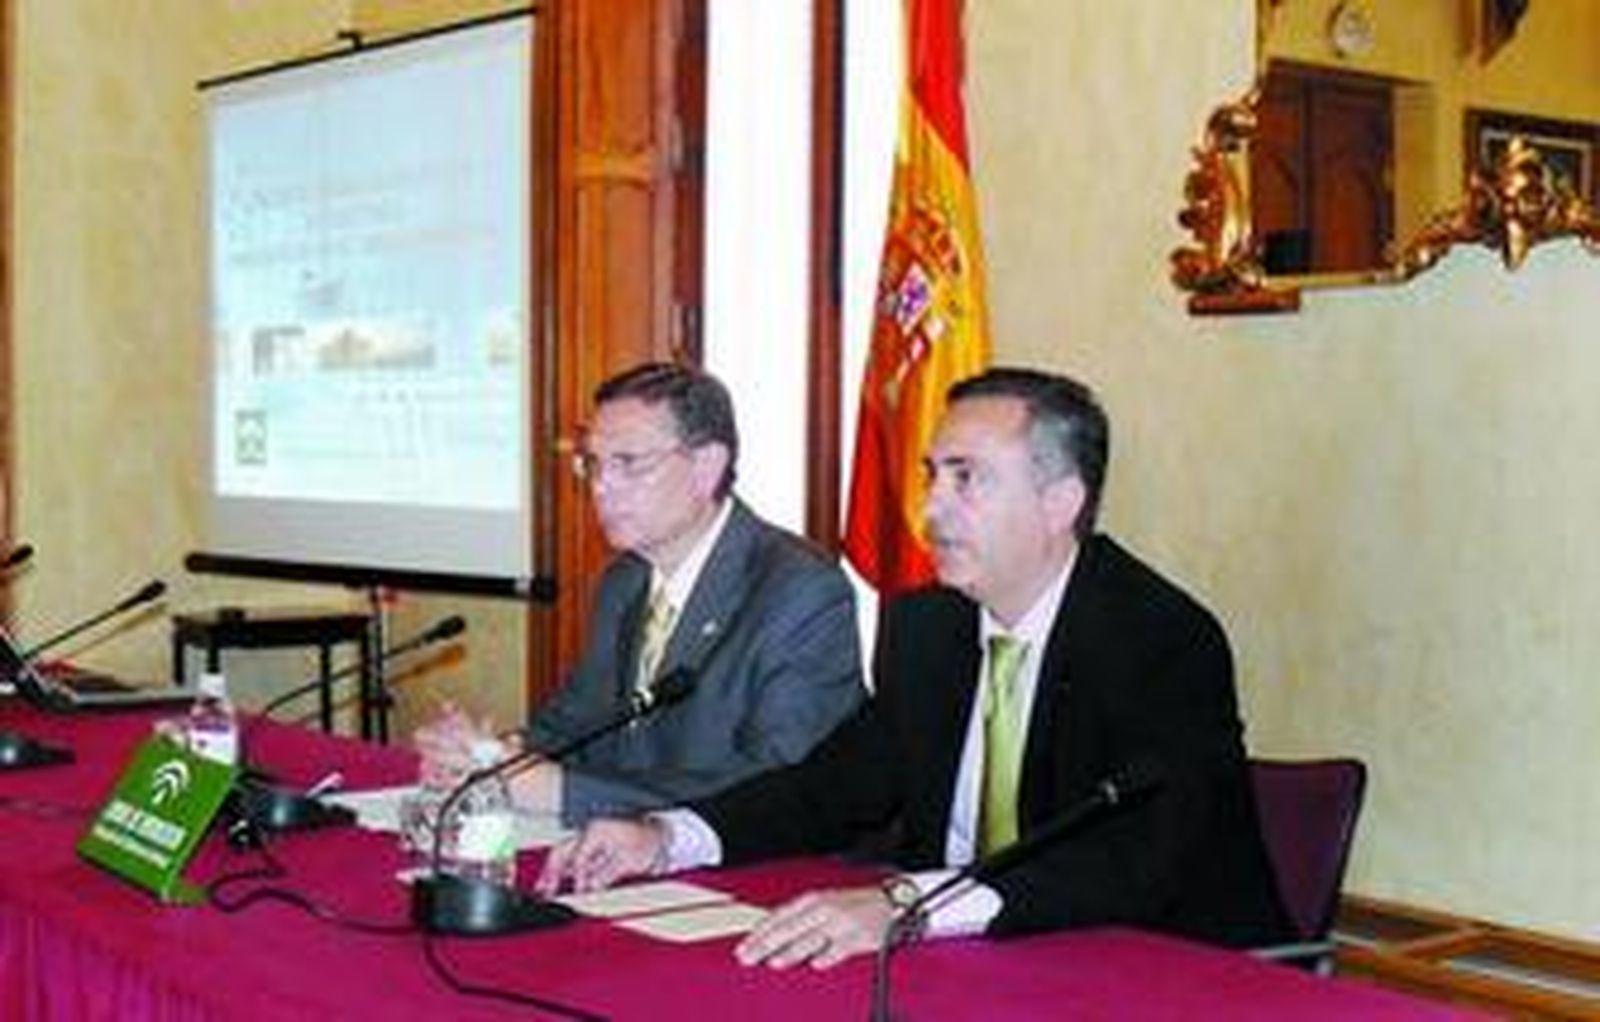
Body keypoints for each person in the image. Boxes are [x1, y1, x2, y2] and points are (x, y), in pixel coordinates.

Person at [536, 367, 1291, 968]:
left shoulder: (1157, 637)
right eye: (933, 474)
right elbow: (831, 787)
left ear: (1062, 501)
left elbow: (1132, 860)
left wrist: (910, 903)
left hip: (1163, 970)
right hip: (966, 960)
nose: (932, 507)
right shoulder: (929, 626)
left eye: (967, 478)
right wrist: (669, 837)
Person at [415, 363, 864, 824]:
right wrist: (492, 758)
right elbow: (575, 726)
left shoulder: (800, 591)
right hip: (624, 853)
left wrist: (567, 793)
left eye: (628, 463)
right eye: (593, 463)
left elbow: (778, 780)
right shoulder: (624, 581)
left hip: (763, 871)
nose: (601, 486)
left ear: (707, 466)